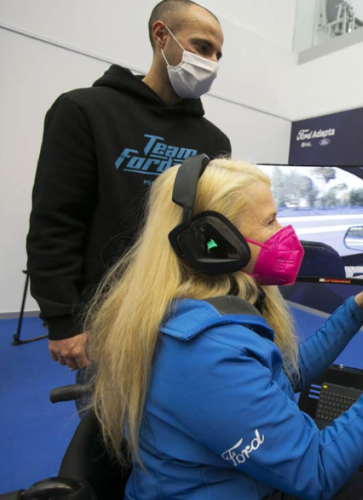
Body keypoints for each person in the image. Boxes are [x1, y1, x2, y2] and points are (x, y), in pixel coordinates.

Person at [85, 159, 363, 500]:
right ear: (216, 242)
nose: (284, 231)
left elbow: (287, 375)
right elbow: (315, 473)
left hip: (238, 479)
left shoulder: (200, 309)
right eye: (270, 221)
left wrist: (359, 310)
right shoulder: (205, 351)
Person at [26, 0, 230, 383]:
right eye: (202, 47)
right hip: (107, 317)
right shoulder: (84, 110)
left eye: (218, 54)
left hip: (186, 314)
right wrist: (62, 318)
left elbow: (209, 230)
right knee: (107, 431)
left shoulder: (213, 139)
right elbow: (56, 220)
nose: (212, 62)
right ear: (161, 35)